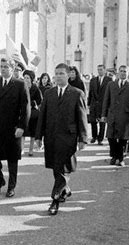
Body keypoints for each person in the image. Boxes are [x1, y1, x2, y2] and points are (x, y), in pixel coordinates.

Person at [35, 63, 89, 215]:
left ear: (68, 75)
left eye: (61, 73)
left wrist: (82, 139)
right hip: (51, 136)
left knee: (62, 168)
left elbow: (82, 117)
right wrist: (38, 137)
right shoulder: (49, 93)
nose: (58, 76)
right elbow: (42, 117)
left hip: (68, 138)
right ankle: (65, 189)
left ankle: (54, 200)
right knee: (56, 168)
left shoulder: (77, 93)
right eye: (56, 73)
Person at [0, 57, 29, 198]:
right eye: (1, 66)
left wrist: (21, 127)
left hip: (13, 128)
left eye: (5, 67)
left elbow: (25, 108)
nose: (3, 69)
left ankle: (11, 186)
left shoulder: (20, 85)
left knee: (12, 159)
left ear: (12, 68)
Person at [101, 65, 129, 167]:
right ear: (118, 73)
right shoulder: (111, 84)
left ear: (128, 73)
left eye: (125, 71)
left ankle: (121, 158)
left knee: (123, 138)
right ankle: (114, 156)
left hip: (126, 116)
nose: (123, 73)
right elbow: (106, 100)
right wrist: (103, 115)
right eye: (121, 71)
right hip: (112, 115)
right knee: (111, 137)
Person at [87, 64, 111, 145]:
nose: (99, 71)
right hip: (94, 104)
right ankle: (94, 136)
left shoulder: (109, 80)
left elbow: (110, 94)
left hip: (103, 104)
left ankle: (100, 139)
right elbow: (90, 92)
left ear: (104, 70)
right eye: (98, 69)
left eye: (101, 69)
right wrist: (89, 103)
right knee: (93, 122)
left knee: (102, 122)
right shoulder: (93, 80)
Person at [22, 70, 42, 156]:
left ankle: (30, 150)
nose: (26, 79)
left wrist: (32, 103)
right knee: (22, 132)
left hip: (33, 113)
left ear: (31, 79)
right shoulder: (21, 87)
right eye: (25, 77)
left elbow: (40, 100)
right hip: (24, 113)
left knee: (32, 133)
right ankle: (21, 149)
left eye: (28, 78)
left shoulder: (35, 88)